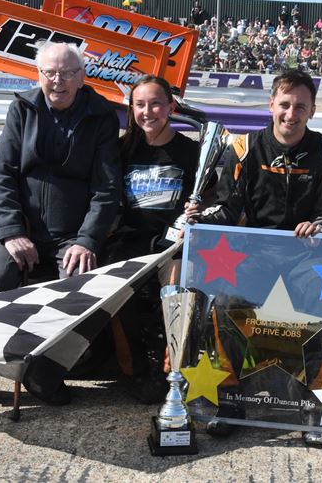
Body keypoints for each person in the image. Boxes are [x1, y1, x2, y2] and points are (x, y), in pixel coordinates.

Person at [0, 41, 122, 415]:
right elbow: (1, 176)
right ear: (38, 74)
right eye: (50, 73)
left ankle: (44, 373)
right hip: (22, 229)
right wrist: (11, 231)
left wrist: (87, 239)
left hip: (73, 236)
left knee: (81, 289)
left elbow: (107, 188)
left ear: (82, 77)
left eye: (68, 73)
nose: (58, 81)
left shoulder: (102, 116)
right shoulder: (21, 109)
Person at [186, 69, 322, 443]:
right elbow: (228, 206)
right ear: (271, 104)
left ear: (312, 111)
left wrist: (318, 225)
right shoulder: (244, 148)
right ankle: (229, 400)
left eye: (300, 107)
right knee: (226, 298)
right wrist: (200, 217)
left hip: (306, 255)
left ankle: (312, 404)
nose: (291, 114)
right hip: (255, 253)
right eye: (285, 105)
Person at [101, 75, 208, 403]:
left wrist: (199, 211)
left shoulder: (191, 151)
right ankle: (135, 367)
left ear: (171, 107)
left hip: (174, 244)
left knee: (175, 288)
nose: (148, 112)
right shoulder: (122, 149)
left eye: (156, 104)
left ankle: (170, 367)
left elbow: (212, 198)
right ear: (131, 109)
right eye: (140, 105)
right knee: (116, 289)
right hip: (130, 242)